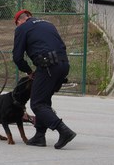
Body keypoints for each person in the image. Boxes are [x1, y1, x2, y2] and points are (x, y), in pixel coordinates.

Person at [13, 9, 76, 149]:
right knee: (44, 100)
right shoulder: (48, 24)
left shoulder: (22, 28)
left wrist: (28, 71)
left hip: (48, 66)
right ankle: (39, 136)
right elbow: (61, 45)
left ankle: (63, 130)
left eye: (16, 24)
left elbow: (17, 57)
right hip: (64, 65)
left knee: (37, 103)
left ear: (19, 21)